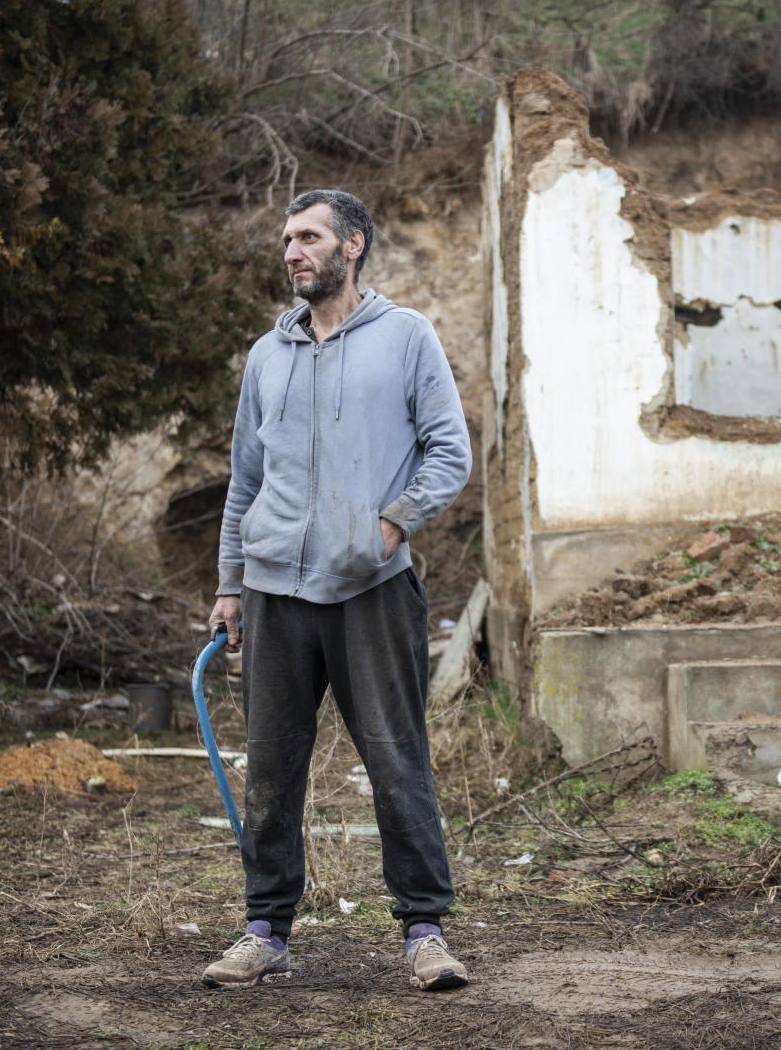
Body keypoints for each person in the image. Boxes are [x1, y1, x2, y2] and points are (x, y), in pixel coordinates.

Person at [200, 189, 472, 992]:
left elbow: (448, 452)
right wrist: (230, 582)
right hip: (276, 594)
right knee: (273, 769)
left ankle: (425, 931)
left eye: (310, 237)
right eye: (288, 239)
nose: (293, 251)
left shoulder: (406, 337)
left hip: (371, 591)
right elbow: (244, 481)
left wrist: (391, 526)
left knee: (396, 760)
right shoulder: (266, 355)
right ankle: (264, 930)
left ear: (352, 245)